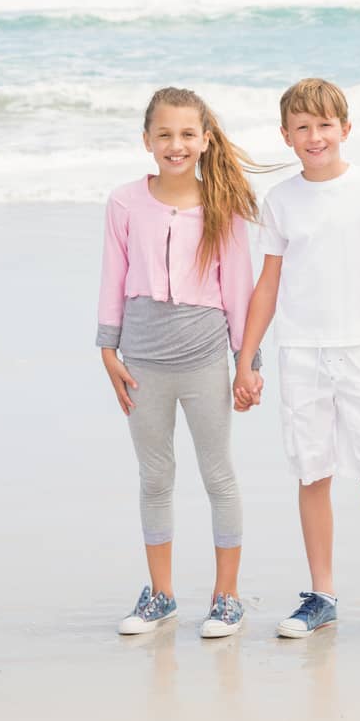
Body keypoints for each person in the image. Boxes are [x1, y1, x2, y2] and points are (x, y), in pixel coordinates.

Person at [232, 78, 360, 640]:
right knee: (312, 471)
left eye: (324, 125)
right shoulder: (280, 201)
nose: (314, 136)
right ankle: (322, 595)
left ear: (346, 129)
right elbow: (268, 284)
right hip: (299, 353)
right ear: (286, 136)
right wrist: (248, 359)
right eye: (302, 128)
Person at [99, 86, 264, 638]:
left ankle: (226, 597)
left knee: (219, 475)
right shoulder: (124, 202)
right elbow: (113, 278)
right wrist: (107, 348)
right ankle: (161, 597)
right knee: (155, 477)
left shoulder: (224, 205)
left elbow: (238, 288)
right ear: (147, 140)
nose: (176, 144)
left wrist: (247, 361)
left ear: (205, 139)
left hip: (203, 359)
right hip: (142, 359)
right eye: (164, 134)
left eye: (187, 134)